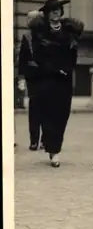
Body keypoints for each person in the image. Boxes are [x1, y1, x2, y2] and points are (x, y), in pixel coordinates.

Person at [27, 0, 84, 167]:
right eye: (52, 10)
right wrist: (53, 69)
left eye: (58, 10)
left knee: (61, 115)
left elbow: (73, 53)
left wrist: (68, 69)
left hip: (65, 79)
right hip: (46, 78)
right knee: (47, 114)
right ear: (46, 13)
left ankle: (55, 148)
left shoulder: (69, 31)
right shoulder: (40, 32)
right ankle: (51, 147)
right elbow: (38, 56)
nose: (56, 13)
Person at [18, 11, 46, 151]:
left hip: (46, 77)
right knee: (35, 109)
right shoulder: (27, 37)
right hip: (33, 78)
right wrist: (22, 76)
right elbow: (22, 59)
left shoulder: (48, 37)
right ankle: (34, 140)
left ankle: (44, 141)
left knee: (45, 109)